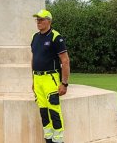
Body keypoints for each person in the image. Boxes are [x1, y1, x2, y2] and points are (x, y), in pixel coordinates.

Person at [31, 9, 70, 143]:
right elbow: (34, 58)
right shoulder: (35, 37)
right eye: (37, 19)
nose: (39, 22)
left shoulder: (55, 37)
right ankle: (48, 139)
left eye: (41, 19)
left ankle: (58, 140)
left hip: (51, 79)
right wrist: (33, 80)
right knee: (43, 111)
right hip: (38, 79)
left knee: (54, 111)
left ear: (49, 21)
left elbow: (65, 61)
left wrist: (64, 83)